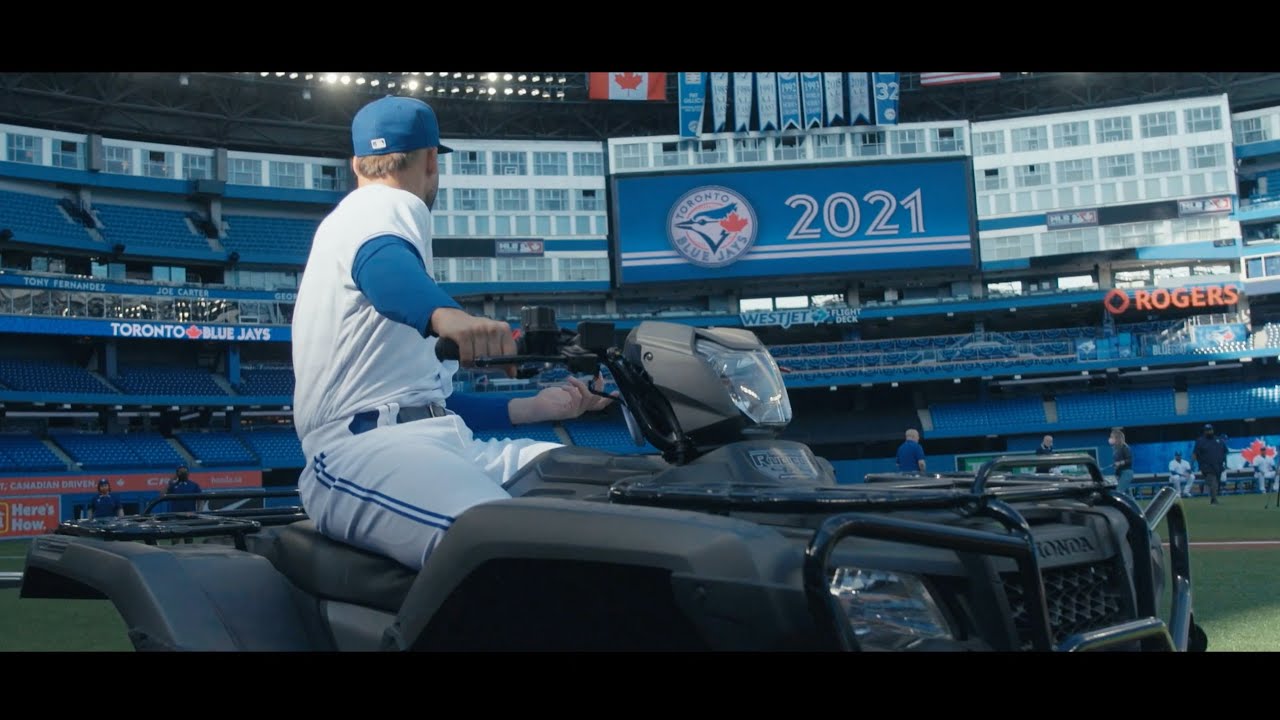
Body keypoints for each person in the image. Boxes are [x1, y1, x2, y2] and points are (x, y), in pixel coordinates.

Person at [291, 96, 613, 571]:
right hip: (365, 452)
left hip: (439, 441)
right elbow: (381, 263)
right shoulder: (383, 205)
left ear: (356, 162)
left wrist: (539, 407)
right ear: (429, 160)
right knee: (511, 555)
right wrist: (448, 316)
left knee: (620, 492)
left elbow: (423, 403)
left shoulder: (372, 247)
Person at [1193, 423, 1227, 505]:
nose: (1209, 432)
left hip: (1218, 466)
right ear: (1204, 431)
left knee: (1216, 483)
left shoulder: (1218, 440)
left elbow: (1225, 452)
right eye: (1207, 430)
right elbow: (1195, 454)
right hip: (1207, 466)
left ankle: (1213, 496)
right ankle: (1214, 500)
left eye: (1210, 430)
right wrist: (1193, 465)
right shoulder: (1200, 441)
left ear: (1213, 430)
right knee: (1213, 482)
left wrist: (1224, 462)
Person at [1109, 428, 1133, 494]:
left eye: (1111, 437)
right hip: (1120, 473)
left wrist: (1119, 463)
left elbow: (1129, 460)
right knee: (1127, 496)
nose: (1110, 439)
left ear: (1117, 438)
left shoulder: (1125, 447)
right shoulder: (1115, 449)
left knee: (1118, 492)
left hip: (1126, 473)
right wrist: (1115, 465)